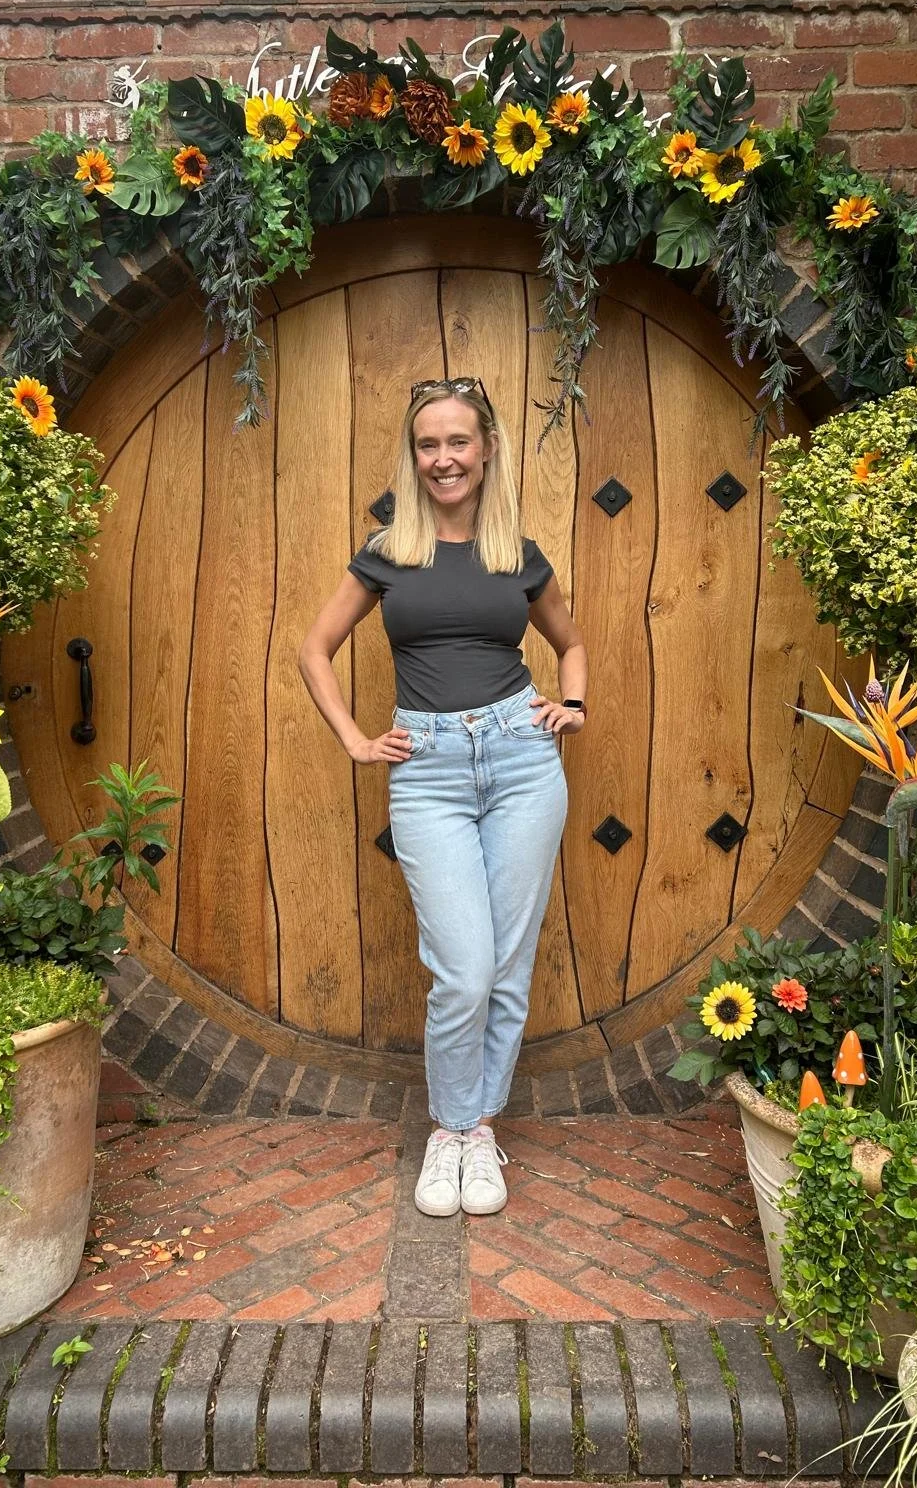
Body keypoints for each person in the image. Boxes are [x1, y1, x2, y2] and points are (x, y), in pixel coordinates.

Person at [298, 376, 587, 1217]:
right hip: (427, 769)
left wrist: (571, 706)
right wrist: (355, 739)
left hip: (522, 760)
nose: (443, 458)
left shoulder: (517, 554)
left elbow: (570, 644)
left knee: (508, 967)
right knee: (463, 970)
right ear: (413, 456)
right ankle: (449, 1128)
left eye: (458, 441)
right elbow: (314, 649)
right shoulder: (389, 552)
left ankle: (478, 1131)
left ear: (486, 449)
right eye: (428, 445)